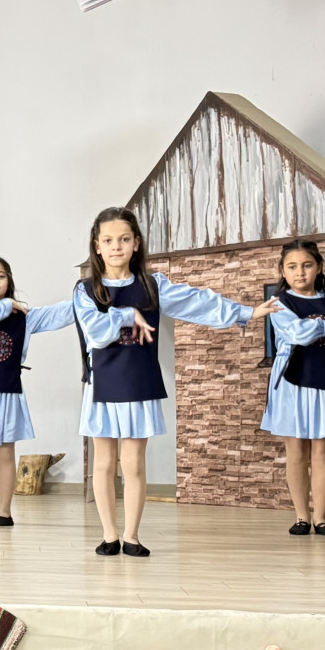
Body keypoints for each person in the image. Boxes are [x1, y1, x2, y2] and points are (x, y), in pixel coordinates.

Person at [75, 207, 279, 557]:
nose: (116, 247)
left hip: (138, 382)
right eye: (107, 240)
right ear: (97, 246)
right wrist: (127, 314)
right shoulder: (85, 290)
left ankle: (131, 535)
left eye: (123, 239)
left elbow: (197, 301)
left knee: (134, 463)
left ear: (136, 243)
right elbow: (95, 332)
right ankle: (109, 534)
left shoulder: (152, 286)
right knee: (104, 462)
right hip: (102, 384)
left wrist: (245, 312)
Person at [0, 255, 73, 527]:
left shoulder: (23, 316)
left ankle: (5, 511)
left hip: (8, 391)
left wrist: (91, 298)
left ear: (9, 280)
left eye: (1, 275)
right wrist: (6, 304)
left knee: (5, 452)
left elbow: (59, 313)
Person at [260, 239, 325, 537]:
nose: (300, 272)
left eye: (307, 265)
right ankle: (302, 516)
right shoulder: (279, 303)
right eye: (292, 267)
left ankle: (322, 518)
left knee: (322, 451)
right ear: (282, 270)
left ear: (318, 267)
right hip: (292, 381)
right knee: (296, 452)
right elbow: (298, 333)